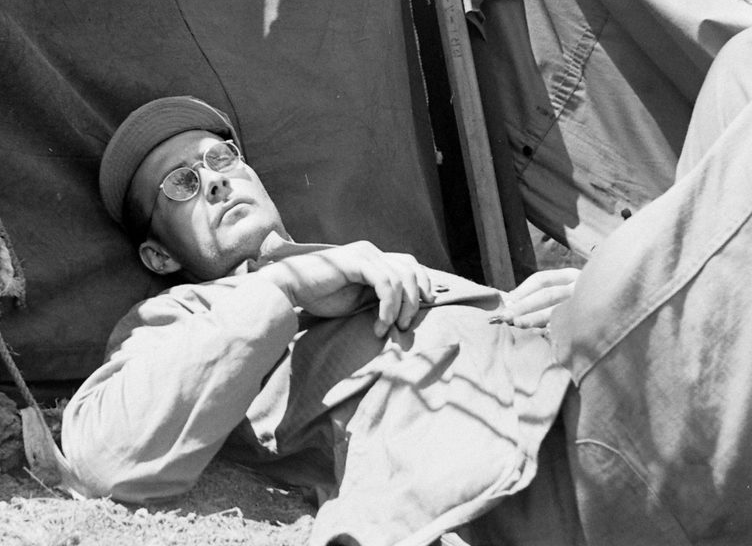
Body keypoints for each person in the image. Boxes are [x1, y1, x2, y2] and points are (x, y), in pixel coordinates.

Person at [60, 29, 752, 546]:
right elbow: (105, 454)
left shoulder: (357, 256)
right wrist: (291, 287)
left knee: (741, 66)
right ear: (157, 253)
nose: (215, 178)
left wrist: (518, 309)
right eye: (183, 183)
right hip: (542, 457)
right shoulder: (183, 315)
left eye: (222, 158)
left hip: (573, 366)